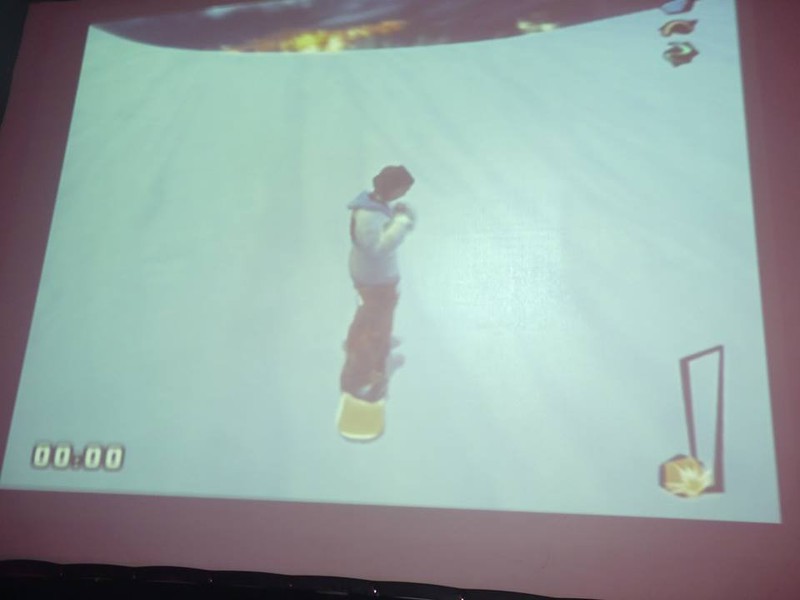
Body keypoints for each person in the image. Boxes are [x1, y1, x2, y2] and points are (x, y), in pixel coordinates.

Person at [341, 165, 416, 400]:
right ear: (392, 188)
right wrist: (401, 223)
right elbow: (377, 248)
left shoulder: (375, 208)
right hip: (375, 279)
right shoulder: (368, 215)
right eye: (403, 190)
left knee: (371, 316)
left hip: (373, 276)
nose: (404, 194)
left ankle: (373, 342)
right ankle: (361, 378)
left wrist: (396, 217)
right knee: (375, 324)